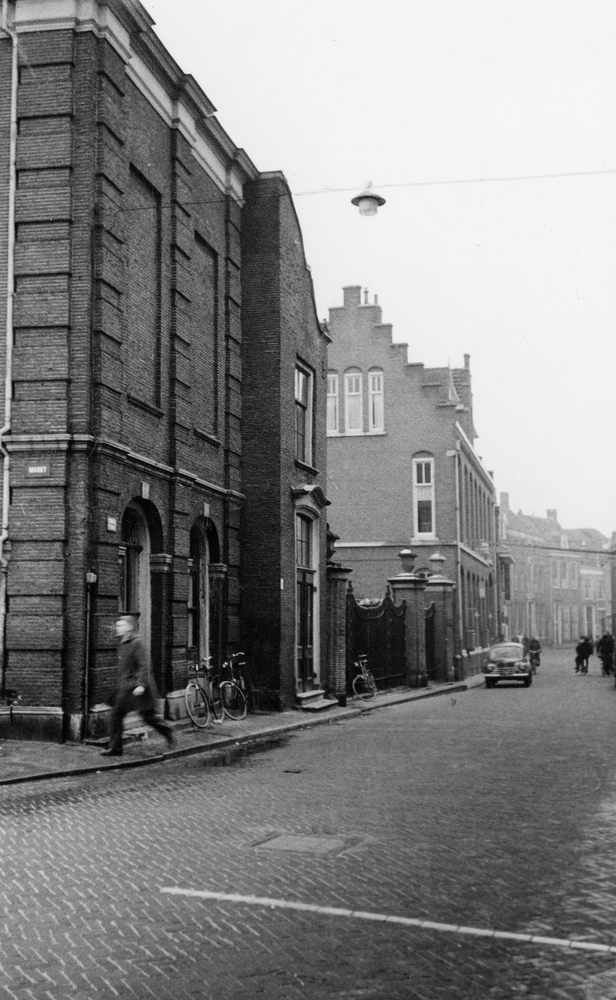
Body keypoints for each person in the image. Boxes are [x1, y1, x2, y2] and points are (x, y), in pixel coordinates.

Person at [101, 615, 175, 757]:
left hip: (139, 688)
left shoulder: (137, 642)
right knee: (117, 715)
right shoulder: (123, 643)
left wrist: (141, 685)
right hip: (127, 688)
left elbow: (144, 665)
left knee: (148, 717)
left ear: (129, 627)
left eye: (121, 626)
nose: (118, 628)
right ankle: (115, 748)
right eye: (118, 626)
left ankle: (168, 732)